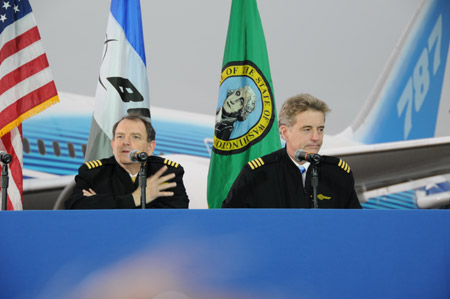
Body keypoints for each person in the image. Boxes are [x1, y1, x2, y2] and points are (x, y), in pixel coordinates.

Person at [222, 93, 362, 209]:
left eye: (320, 129)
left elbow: (356, 227)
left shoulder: (338, 174)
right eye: (307, 129)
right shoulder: (257, 174)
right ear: (285, 132)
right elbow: (227, 225)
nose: (316, 137)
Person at [65, 114, 189, 209]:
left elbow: (176, 215)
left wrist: (101, 201)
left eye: (135, 137)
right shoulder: (93, 173)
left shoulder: (166, 173)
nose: (126, 142)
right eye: (120, 136)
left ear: (150, 147)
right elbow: (75, 207)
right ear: (113, 145)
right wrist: (134, 199)